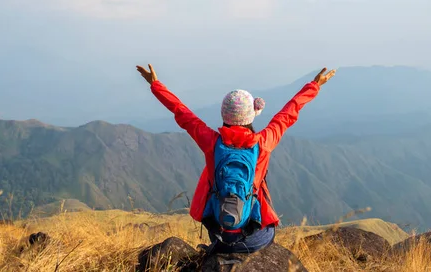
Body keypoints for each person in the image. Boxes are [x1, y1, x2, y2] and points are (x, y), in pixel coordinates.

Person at [136, 64, 336, 254]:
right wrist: (314, 85)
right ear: (251, 116)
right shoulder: (263, 143)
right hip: (253, 239)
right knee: (269, 230)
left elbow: (183, 113)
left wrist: (156, 85)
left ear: (224, 115)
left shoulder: (211, 142)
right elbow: (287, 114)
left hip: (219, 233)